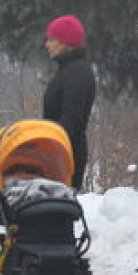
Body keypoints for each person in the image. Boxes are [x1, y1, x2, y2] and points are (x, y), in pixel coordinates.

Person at [42, 15, 96, 191]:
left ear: (65, 42)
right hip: (57, 154)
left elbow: (71, 121)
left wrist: (47, 143)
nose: (47, 44)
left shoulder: (77, 74)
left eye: (51, 39)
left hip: (66, 156)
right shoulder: (66, 71)